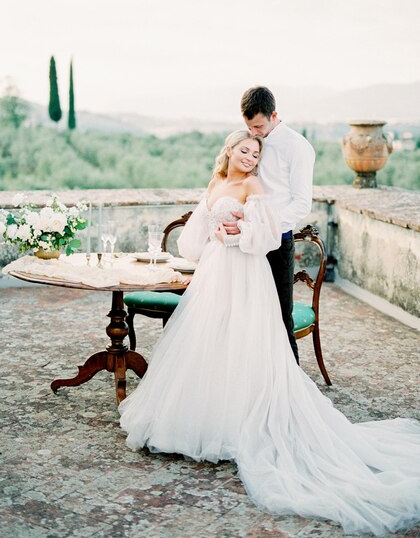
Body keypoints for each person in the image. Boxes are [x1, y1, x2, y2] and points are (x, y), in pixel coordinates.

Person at [119, 130, 420, 536]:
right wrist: (212, 234)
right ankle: (208, 415)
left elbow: (266, 236)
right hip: (213, 272)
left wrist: (235, 235)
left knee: (246, 341)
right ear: (229, 150)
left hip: (244, 271)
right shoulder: (216, 183)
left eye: (255, 152)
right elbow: (193, 239)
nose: (249, 157)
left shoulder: (253, 185)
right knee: (210, 341)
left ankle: (241, 422)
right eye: (244, 149)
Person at [223, 86, 315, 364]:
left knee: (279, 316)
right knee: (243, 315)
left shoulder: (298, 147)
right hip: (242, 242)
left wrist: (265, 228)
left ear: (274, 114)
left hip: (277, 242)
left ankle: (289, 384)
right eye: (249, 126)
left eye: (259, 126)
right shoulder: (252, 142)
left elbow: (301, 203)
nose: (254, 132)